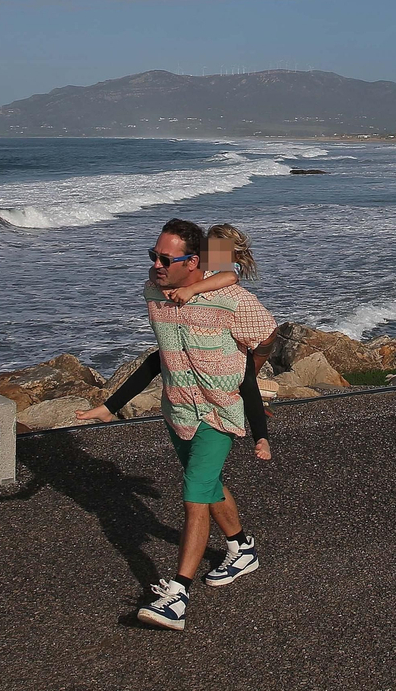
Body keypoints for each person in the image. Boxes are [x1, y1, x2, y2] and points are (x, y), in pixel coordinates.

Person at [74, 218, 276, 632]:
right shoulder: (154, 292)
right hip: (178, 410)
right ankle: (241, 548)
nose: (156, 264)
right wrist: (111, 406)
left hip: (219, 410)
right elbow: (159, 356)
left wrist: (247, 371)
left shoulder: (234, 301)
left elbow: (267, 334)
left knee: (194, 494)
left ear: (193, 261)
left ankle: (178, 596)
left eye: (165, 258)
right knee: (207, 483)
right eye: (154, 255)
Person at [161, 224, 271, 460]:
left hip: (230, 329)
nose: (210, 254)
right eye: (208, 248)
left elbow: (229, 276)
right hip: (210, 330)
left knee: (248, 380)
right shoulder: (208, 257)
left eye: (217, 250)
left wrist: (192, 290)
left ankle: (262, 437)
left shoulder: (224, 266)